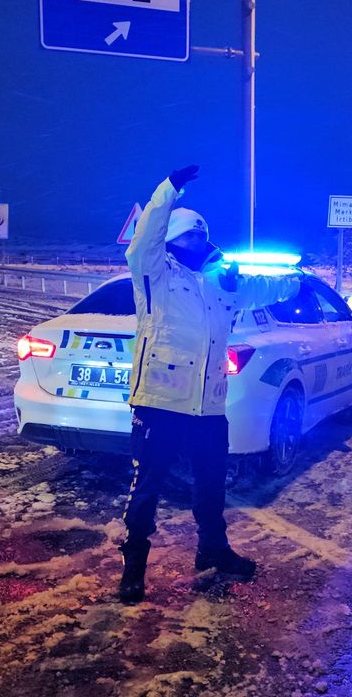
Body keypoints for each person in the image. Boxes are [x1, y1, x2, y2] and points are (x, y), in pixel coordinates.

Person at [118, 165, 301, 603]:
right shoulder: (154, 274)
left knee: (211, 484)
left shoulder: (223, 282)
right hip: (160, 400)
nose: (196, 243)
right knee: (148, 488)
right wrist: (168, 190)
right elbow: (143, 239)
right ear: (170, 240)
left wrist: (295, 284)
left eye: (201, 236)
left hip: (209, 405)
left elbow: (263, 288)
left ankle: (213, 551)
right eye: (188, 237)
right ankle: (134, 567)